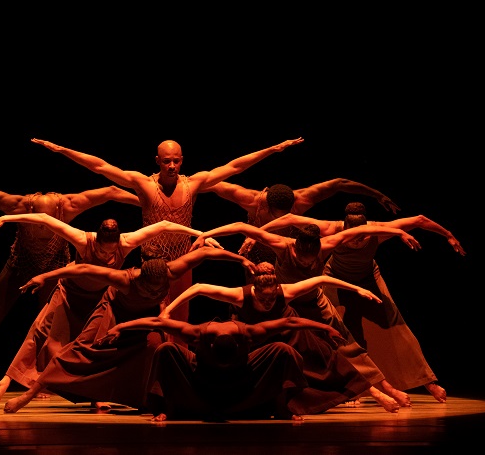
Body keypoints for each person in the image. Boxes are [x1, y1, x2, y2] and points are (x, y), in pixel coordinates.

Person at [30, 137, 303, 337]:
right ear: (157, 161)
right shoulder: (144, 184)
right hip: (152, 264)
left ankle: (176, 367)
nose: (172, 165)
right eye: (166, 161)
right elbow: (101, 167)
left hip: (183, 259)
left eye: (176, 160)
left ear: (182, 160)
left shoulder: (193, 183)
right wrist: (62, 150)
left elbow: (234, 167)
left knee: (180, 316)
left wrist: (272, 149)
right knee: (153, 316)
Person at [0, 214, 221, 408]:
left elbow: (165, 225)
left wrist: (203, 234)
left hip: (101, 297)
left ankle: (99, 395)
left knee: (101, 346)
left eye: (111, 253)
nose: (106, 256)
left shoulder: (127, 243)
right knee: (41, 332)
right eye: (102, 251)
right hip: (71, 293)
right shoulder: (84, 240)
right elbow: (44, 219)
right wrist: (7, 218)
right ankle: (6, 382)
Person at [0, 184, 140, 397]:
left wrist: (148, 203)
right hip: (20, 263)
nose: (44, 224)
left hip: (54, 266)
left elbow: (111, 191)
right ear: (30, 211)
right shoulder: (18, 205)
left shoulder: (70, 205)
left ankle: (40, 380)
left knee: (48, 326)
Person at [189, 218, 423, 408]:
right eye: (301, 259)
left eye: (310, 261)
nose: (305, 264)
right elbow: (241, 226)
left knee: (345, 343)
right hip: (284, 304)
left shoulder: (327, 244)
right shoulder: (282, 246)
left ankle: (384, 388)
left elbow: (362, 230)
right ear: (296, 248)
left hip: (314, 300)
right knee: (306, 352)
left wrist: (398, 232)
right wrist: (204, 234)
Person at [1, 246, 257, 414]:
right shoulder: (125, 279)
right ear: (141, 279)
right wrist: (44, 277)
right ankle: (29, 394)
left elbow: (205, 253)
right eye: (149, 289)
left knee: (157, 348)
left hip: (146, 317)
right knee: (82, 349)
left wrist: (241, 259)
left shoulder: (172, 271)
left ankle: (152, 400)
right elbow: (82, 269)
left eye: (159, 289)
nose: (154, 292)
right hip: (114, 310)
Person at [160, 269, 403, 413]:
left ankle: (375, 393)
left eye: (271, 299)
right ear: (254, 291)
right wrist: (168, 310)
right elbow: (199, 287)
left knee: (326, 357)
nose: (268, 303)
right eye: (263, 300)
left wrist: (357, 289)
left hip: (289, 331)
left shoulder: (285, 292)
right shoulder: (239, 295)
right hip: (258, 338)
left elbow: (321, 280)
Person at [307, 202, 465, 402]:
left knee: (397, 328)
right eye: (353, 237)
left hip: (369, 278)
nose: (357, 241)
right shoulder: (330, 229)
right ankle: (354, 388)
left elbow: (419, 220)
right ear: (345, 228)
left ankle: (428, 381)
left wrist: (448, 234)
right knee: (341, 333)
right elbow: (291, 220)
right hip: (336, 279)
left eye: (362, 237)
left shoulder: (379, 230)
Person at [94, 315, 346, 422]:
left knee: (282, 349)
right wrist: (119, 327)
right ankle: (164, 409)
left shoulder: (249, 333)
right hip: (201, 380)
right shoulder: (196, 333)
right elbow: (157, 321)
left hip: (243, 379)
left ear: (239, 344)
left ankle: (282, 407)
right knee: (166, 349)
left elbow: (289, 321)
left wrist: (326, 328)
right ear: (209, 344)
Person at [201, 179, 401, 282]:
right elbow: (214, 185)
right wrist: (188, 188)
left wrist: (377, 194)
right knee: (261, 293)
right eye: (278, 215)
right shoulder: (253, 201)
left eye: (288, 213)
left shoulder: (302, 199)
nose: (284, 219)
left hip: (293, 253)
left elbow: (340, 184)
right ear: (268, 206)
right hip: (259, 254)